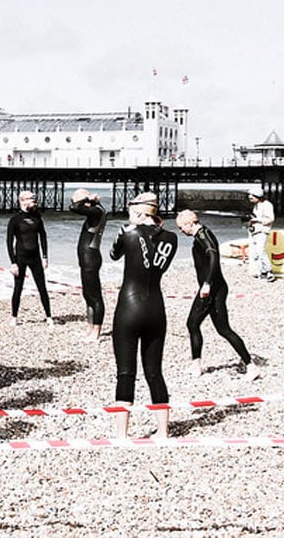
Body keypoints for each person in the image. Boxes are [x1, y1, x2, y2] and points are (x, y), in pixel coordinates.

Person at [109, 192, 177, 439]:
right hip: (156, 308)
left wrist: (130, 226)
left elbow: (114, 254)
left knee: (126, 372)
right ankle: (163, 430)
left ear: (139, 211)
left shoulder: (127, 232)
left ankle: (121, 433)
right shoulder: (171, 238)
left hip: (129, 307)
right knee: (154, 371)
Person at [175, 210, 261, 380]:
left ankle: (249, 366)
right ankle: (248, 365)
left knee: (197, 325)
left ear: (189, 223)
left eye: (181, 227)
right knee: (219, 329)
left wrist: (206, 284)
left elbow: (213, 256)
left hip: (212, 289)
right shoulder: (204, 232)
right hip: (216, 288)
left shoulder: (202, 236)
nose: (180, 231)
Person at [6, 190, 52, 326]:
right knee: (18, 288)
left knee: (42, 287)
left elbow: (43, 237)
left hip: (35, 257)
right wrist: (13, 262)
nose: (35, 201)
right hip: (20, 257)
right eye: (32, 199)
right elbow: (9, 242)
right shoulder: (15, 219)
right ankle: (14, 317)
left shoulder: (37, 217)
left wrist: (45, 257)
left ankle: (49, 316)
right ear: (23, 200)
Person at [69, 188, 107, 341]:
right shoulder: (94, 211)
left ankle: (96, 332)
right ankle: (89, 328)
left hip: (91, 258)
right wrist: (86, 200)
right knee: (87, 295)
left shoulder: (96, 211)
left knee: (95, 296)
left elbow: (74, 208)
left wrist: (85, 199)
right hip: (86, 258)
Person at [246, 187, 275, 282]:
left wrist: (257, 220)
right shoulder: (256, 205)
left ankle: (269, 271)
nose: (250, 197)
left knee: (260, 251)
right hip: (254, 231)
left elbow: (270, 219)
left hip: (262, 231)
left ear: (258, 196)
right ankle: (262, 272)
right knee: (255, 253)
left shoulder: (267, 205)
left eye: (252, 195)